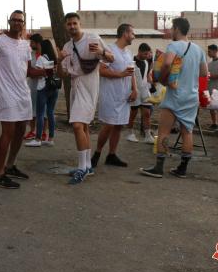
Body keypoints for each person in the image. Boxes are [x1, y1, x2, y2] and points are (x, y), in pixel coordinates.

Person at [0, 10, 45, 189]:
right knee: (7, 133)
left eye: (20, 21)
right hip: (5, 94)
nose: (17, 23)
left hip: (22, 94)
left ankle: (10, 165)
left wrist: (46, 72)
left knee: (20, 132)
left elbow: (28, 71)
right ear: (9, 21)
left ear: (23, 24)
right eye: (14, 20)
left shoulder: (25, 45)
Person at [140, 17, 207, 178]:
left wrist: (162, 79)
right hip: (191, 97)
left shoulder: (174, 45)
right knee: (187, 132)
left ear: (177, 28)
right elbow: (204, 73)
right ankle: (182, 169)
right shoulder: (199, 50)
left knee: (163, 131)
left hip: (174, 95)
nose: (171, 31)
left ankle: (158, 167)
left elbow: (167, 63)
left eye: (171, 28)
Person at [57, 12, 114, 184]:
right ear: (66, 26)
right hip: (76, 86)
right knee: (84, 127)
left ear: (79, 24)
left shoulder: (92, 38)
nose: (72, 27)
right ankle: (87, 166)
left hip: (90, 86)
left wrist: (101, 51)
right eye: (69, 24)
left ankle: (82, 168)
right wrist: (59, 61)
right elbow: (62, 74)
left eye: (75, 23)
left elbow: (111, 58)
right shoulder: (67, 46)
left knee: (76, 125)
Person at [91, 24, 136, 168]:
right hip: (110, 94)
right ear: (125, 33)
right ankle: (97, 153)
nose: (134, 36)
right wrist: (120, 74)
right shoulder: (109, 49)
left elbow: (131, 71)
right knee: (109, 125)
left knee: (119, 125)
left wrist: (134, 89)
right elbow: (101, 70)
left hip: (124, 96)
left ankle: (112, 154)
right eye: (132, 33)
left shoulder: (128, 52)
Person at [25, 39, 59, 147]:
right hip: (54, 88)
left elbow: (38, 74)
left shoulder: (41, 58)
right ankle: (51, 138)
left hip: (43, 88)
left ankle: (38, 139)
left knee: (40, 113)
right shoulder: (54, 58)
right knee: (50, 113)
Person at [126, 42, 155, 143]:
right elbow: (129, 76)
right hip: (134, 90)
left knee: (147, 113)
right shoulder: (131, 61)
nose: (147, 56)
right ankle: (130, 133)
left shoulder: (146, 62)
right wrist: (133, 90)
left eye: (148, 54)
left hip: (144, 90)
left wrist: (153, 86)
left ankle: (147, 135)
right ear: (139, 52)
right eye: (145, 54)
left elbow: (147, 76)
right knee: (133, 113)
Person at [24, 33, 47, 141]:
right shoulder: (30, 54)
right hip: (32, 86)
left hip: (44, 86)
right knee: (32, 109)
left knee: (44, 110)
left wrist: (37, 72)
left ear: (37, 43)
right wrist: (42, 72)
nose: (30, 44)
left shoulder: (46, 54)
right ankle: (32, 131)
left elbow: (50, 71)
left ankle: (43, 133)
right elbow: (28, 72)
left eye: (31, 42)